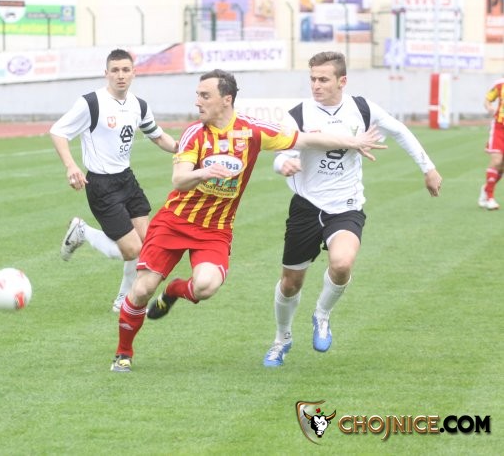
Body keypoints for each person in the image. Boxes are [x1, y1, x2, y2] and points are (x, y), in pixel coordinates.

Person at [110, 68, 386, 372]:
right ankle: (123, 352)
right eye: (197, 95)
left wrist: (353, 142)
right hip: (174, 222)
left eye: (205, 96)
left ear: (226, 99)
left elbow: (307, 139)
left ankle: (175, 290)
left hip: (215, 229)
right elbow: (179, 179)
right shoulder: (195, 133)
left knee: (205, 287)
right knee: (142, 290)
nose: (197, 101)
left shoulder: (252, 131)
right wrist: (204, 172)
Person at [263, 51, 443, 368]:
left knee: (342, 263)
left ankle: (322, 315)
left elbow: (400, 130)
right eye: (312, 79)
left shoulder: (362, 108)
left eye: (323, 79)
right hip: (306, 207)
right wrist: (284, 165)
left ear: (342, 81)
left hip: (346, 206)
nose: (316, 85)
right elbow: (280, 155)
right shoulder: (298, 115)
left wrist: (428, 168)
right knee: (290, 283)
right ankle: (282, 339)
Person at [51, 49, 177, 313]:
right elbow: (58, 131)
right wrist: (71, 165)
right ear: (106, 73)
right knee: (132, 250)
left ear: (134, 73)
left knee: (147, 244)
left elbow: (157, 136)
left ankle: (123, 300)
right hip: (101, 185)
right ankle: (82, 231)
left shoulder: (139, 105)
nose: (120, 75)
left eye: (125, 70)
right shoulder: (91, 103)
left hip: (126, 179)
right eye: (115, 70)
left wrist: (184, 149)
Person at [480, 78, 504, 210]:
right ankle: (489, 197)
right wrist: (489, 107)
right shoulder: (500, 84)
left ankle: (486, 189)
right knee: (496, 160)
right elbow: (488, 99)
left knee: (501, 167)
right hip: (499, 128)